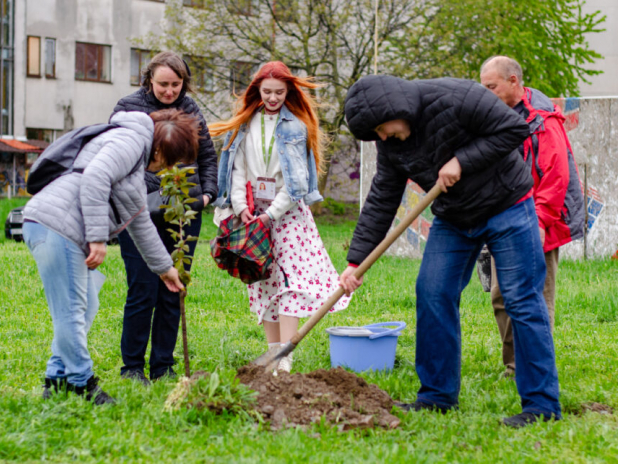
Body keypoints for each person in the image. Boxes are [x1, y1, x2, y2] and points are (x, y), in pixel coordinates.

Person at [339, 74, 561, 428]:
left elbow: (514, 129)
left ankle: (541, 405)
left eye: (382, 128)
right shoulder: (392, 144)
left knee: (521, 299)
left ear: (397, 109)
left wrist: (462, 160)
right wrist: (356, 262)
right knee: (432, 292)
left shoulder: (459, 97)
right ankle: (437, 396)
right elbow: (383, 196)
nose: (382, 137)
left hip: (507, 205)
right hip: (455, 217)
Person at [23, 110, 196, 404]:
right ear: (159, 149)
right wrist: (97, 237)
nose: (164, 169)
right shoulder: (129, 141)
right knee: (72, 311)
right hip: (56, 227)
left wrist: (165, 269)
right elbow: (95, 177)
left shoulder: (135, 162)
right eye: (167, 162)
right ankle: (81, 383)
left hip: (62, 229)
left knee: (85, 305)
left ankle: (57, 379)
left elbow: (139, 220)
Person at [210, 61, 350, 373]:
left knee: (290, 281)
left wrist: (271, 214)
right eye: (267, 92)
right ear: (257, 91)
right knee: (264, 280)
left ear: (288, 92)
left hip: (286, 216)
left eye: (279, 92)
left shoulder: (295, 127)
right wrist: (240, 205)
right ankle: (272, 354)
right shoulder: (245, 125)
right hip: (253, 213)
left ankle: (285, 356)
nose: (273, 98)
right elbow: (238, 169)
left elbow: (296, 184)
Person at [111, 51, 218, 383]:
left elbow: (209, 157)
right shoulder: (127, 108)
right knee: (143, 287)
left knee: (174, 288)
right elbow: (116, 158)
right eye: (163, 84)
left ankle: (163, 365)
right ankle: (131, 366)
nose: (170, 91)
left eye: (176, 84)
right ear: (148, 80)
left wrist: (207, 194)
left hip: (184, 211)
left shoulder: (191, 110)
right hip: (138, 209)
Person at [480, 56, 585, 379]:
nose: (485, 93)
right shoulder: (492, 116)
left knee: (536, 296)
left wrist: (539, 222)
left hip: (541, 221)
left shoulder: (543, 121)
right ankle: (514, 364)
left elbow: (556, 176)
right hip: (503, 219)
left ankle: (535, 366)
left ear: (514, 82)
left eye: (491, 86)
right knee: (500, 295)